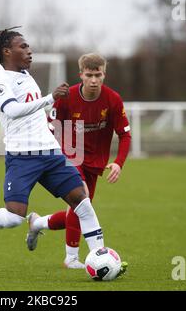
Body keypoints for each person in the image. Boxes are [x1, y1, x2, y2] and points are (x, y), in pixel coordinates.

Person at [0, 28, 123, 277]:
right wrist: (49, 98)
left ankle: (100, 259)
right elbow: (11, 110)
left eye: (28, 46)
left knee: (82, 201)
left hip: (51, 153)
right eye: (23, 46)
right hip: (22, 157)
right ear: (6, 51)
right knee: (14, 217)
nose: (29, 50)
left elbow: (1, 110)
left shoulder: (25, 74)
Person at [28, 53, 131, 269]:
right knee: (81, 201)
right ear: (81, 75)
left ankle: (37, 223)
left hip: (95, 162)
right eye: (89, 75)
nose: (94, 80)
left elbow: (125, 135)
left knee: (81, 211)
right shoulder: (66, 97)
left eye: (98, 75)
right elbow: (50, 129)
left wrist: (119, 162)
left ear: (104, 74)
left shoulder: (113, 100)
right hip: (69, 156)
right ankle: (71, 258)